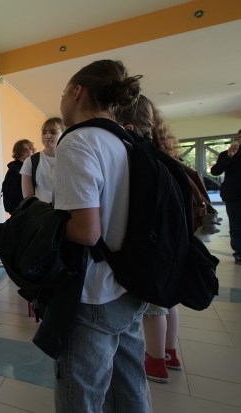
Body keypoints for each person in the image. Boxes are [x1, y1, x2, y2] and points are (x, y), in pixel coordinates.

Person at [54, 59, 149, 412]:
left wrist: (42, 223)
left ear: (77, 92)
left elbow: (86, 231)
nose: (62, 99)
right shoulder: (126, 140)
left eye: (63, 92)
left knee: (81, 398)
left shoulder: (78, 142)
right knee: (130, 387)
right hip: (131, 284)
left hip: (94, 293)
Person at [114, 95, 185, 383]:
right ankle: (169, 352)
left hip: (155, 247)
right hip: (172, 245)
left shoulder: (141, 157)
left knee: (153, 307)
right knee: (168, 303)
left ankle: (155, 361)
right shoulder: (162, 154)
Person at [210, 128, 241, 264]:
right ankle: (239, 253)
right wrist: (229, 156)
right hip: (233, 196)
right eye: (240, 137)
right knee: (236, 227)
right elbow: (215, 171)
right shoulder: (226, 154)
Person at [20, 118, 64, 203]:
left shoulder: (70, 159)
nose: (47, 136)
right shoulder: (31, 161)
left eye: (53, 132)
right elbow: (28, 198)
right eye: (44, 132)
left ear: (63, 135)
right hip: (40, 210)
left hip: (66, 210)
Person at [1, 139, 35, 213]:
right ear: (19, 152)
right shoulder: (14, 170)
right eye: (25, 149)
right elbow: (11, 194)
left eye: (30, 149)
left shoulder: (30, 167)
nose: (29, 151)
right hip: (21, 211)